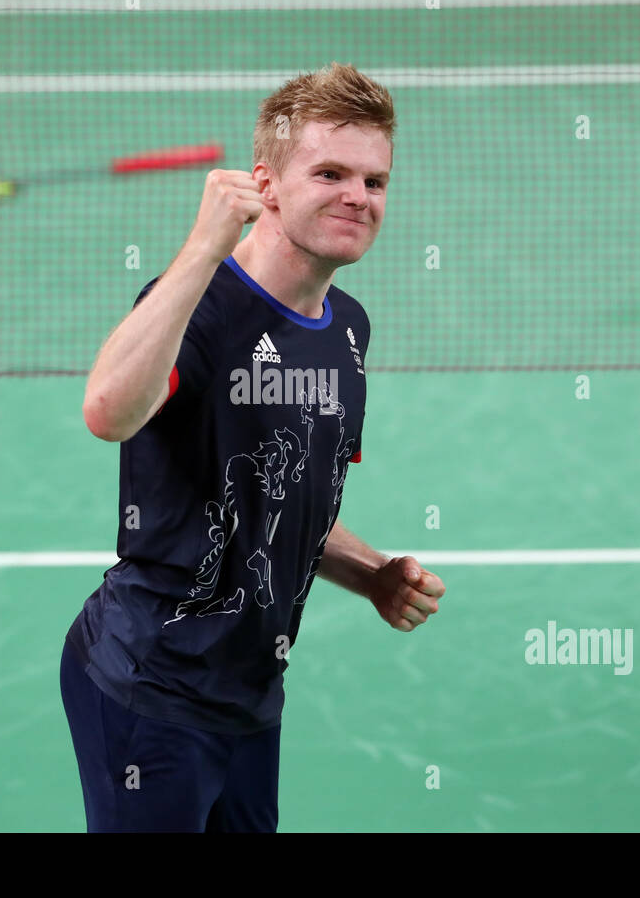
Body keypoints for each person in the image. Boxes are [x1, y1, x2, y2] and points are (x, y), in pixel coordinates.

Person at [60, 62, 447, 832]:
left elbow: (283, 501)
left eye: (375, 181)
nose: (357, 197)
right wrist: (202, 250)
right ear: (266, 185)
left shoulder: (348, 329)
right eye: (330, 172)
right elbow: (107, 410)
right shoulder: (199, 306)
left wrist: (371, 574)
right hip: (152, 685)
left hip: (249, 693)